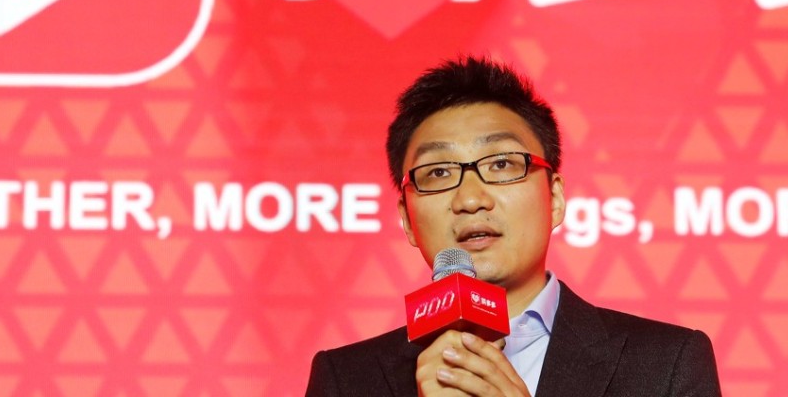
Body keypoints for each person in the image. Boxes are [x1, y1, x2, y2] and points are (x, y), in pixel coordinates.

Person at [305, 56, 721, 396]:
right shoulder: (346, 379)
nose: (470, 199)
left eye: (501, 164)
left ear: (554, 199)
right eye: (438, 173)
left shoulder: (666, 365)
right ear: (407, 220)